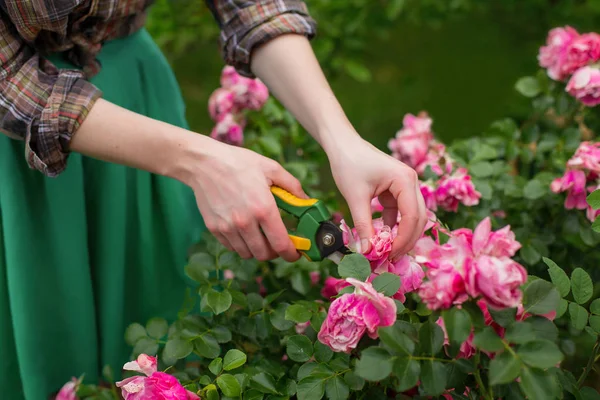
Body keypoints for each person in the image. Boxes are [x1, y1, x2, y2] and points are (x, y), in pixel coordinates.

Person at [0, 0, 427, 398]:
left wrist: (342, 140)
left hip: (137, 100)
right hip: (21, 141)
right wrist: (200, 163)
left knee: (160, 335)